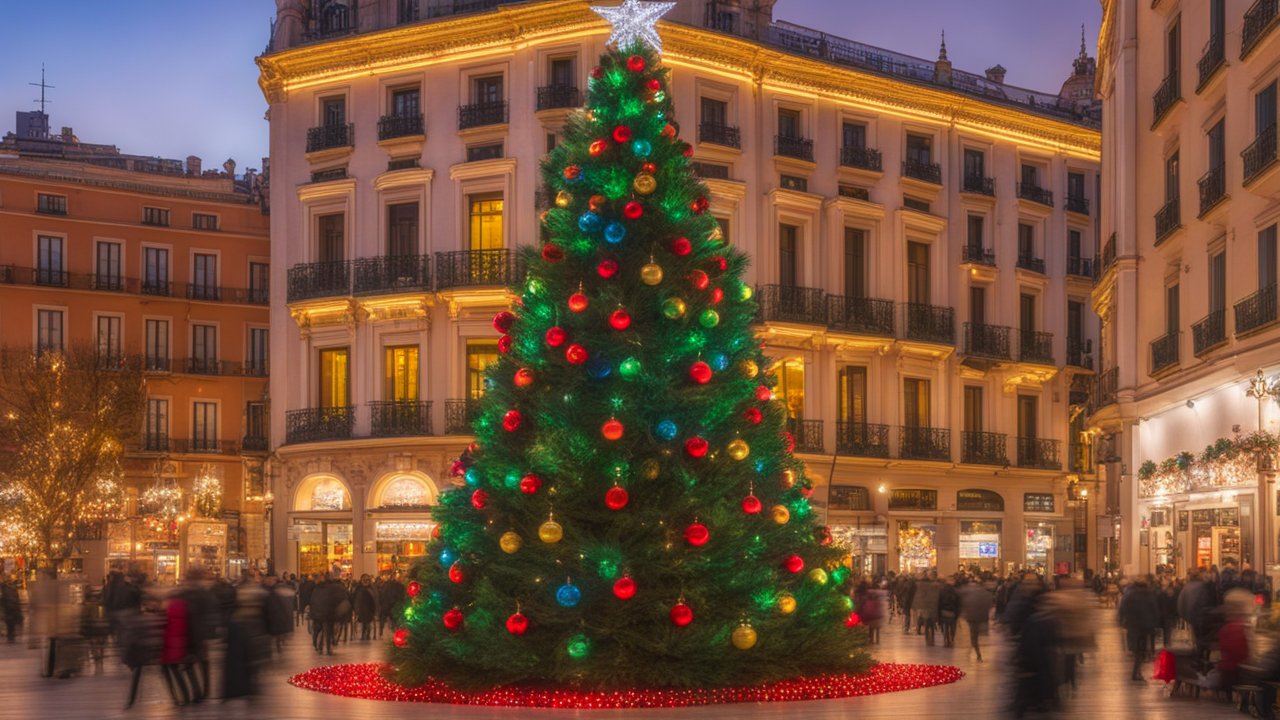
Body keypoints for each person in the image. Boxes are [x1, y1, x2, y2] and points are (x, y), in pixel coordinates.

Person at [1118, 577, 1159, 681]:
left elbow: (1122, 608)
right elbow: (1154, 609)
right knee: (1142, 650)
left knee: (1135, 649)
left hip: (1132, 625)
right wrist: (1155, 623)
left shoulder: (1128, 594)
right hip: (1145, 625)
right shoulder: (1149, 594)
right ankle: (1137, 671)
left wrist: (1121, 620)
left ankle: (1136, 670)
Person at [1215, 588, 1253, 691]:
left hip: (1226, 672)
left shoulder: (1226, 628)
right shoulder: (1240, 628)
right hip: (1237, 673)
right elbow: (1242, 655)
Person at [958, 578, 993, 661]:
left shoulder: (969, 594)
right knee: (977, 636)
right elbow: (989, 605)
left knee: (974, 637)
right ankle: (976, 652)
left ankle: (977, 653)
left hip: (972, 618)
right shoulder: (986, 594)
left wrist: (964, 614)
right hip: (982, 618)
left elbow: (965, 605)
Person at [377, 573, 406, 638]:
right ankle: (395, 632)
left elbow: (381, 594)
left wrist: (381, 603)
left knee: (384, 619)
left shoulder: (386, 584)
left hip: (385, 605)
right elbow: (401, 596)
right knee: (394, 619)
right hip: (392, 605)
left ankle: (381, 633)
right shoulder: (399, 586)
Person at [937, 576, 960, 648]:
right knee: (953, 627)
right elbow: (958, 603)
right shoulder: (955, 591)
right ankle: (952, 639)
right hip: (952, 612)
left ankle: (946, 639)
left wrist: (938, 613)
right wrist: (957, 613)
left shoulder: (942, 590)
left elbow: (939, 602)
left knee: (945, 627)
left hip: (944, 611)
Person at [1, 575, 22, 643]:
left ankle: (11, 636)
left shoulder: (5, 588)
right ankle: (11, 636)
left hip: (9, 607)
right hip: (10, 607)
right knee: (10, 622)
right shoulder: (9, 588)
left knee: (10, 622)